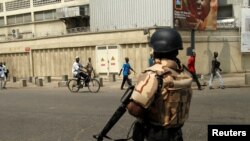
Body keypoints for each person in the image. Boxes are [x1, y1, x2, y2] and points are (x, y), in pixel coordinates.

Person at [127, 28, 193, 141]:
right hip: (176, 134)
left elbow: (134, 110)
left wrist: (129, 103)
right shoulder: (183, 73)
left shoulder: (153, 75)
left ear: (157, 50)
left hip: (155, 134)